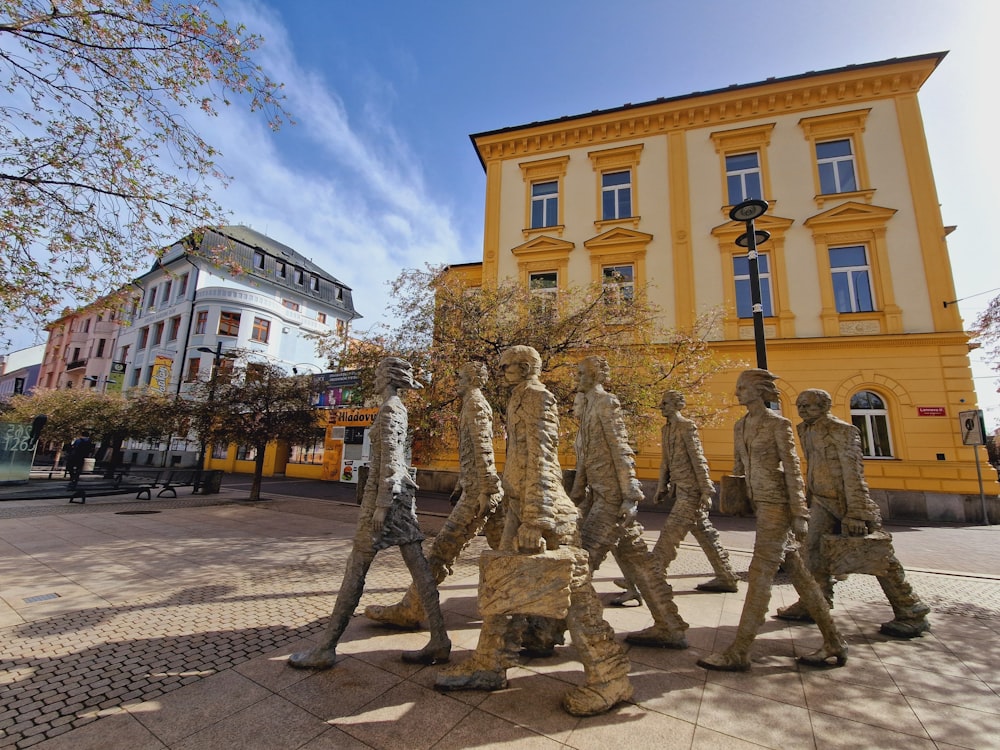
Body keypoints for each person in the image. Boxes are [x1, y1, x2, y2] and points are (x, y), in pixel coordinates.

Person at [436, 346, 632, 717]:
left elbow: (543, 457)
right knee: (503, 582)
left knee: (575, 595)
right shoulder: (518, 397)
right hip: (518, 503)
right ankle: (489, 663)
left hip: (543, 510)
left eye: (508, 365)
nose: (504, 370)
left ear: (525, 366)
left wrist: (537, 518)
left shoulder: (539, 398)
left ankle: (609, 676)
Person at [288, 357, 451, 669]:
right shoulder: (396, 409)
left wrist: (381, 505)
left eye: (378, 374)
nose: (374, 379)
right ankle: (439, 639)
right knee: (419, 568)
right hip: (399, 499)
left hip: (384, 502)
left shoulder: (391, 409)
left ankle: (326, 647)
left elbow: (391, 460)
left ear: (388, 378)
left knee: (355, 571)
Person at [697, 369, 847, 672]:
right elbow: (738, 466)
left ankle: (740, 650)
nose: (737, 392)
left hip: (778, 504)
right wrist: (737, 496)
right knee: (800, 574)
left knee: (760, 572)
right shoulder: (740, 426)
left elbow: (792, 468)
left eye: (743, 387)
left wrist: (799, 512)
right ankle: (834, 641)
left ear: (759, 391)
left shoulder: (778, 424)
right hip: (758, 503)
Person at [776, 388, 930, 638]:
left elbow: (853, 472)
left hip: (848, 502)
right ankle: (815, 602)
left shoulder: (843, 430)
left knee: (877, 557)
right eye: (800, 405)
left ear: (825, 406)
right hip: (821, 501)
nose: (802, 409)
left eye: (809, 405)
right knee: (810, 551)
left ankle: (911, 609)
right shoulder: (805, 429)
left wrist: (857, 513)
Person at [365, 361, 503, 629]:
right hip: (478, 488)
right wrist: (464, 482)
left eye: (461, 376)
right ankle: (530, 611)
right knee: (507, 549)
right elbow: (474, 452)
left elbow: (484, 448)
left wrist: (485, 487)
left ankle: (411, 608)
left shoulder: (475, 403)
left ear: (474, 379)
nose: (457, 381)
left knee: (442, 549)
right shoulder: (473, 403)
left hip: (479, 493)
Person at [570, 356, 688, 648]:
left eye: (583, 373)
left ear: (596, 375)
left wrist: (630, 494)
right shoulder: (586, 408)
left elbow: (621, 449)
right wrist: (578, 491)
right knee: (639, 562)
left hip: (611, 496)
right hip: (598, 493)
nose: (578, 378)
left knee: (581, 561)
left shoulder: (606, 403)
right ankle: (669, 624)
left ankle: (547, 634)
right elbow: (585, 458)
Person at [612, 389, 738, 605]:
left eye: (666, 403)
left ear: (678, 405)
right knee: (705, 533)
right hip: (679, 488)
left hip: (691, 491)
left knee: (669, 537)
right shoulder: (666, 429)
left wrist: (706, 489)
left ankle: (647, 580)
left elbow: (698, 458)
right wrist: (662, 485)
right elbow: (666, 461)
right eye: (662, 403)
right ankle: (726, 576)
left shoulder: (686, 426)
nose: (662, 407)